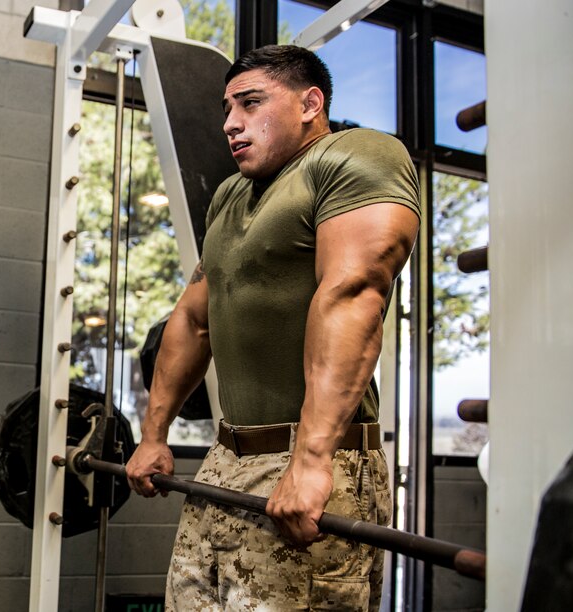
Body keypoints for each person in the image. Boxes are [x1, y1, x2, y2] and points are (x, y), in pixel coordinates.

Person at [125, 45, 421, 610]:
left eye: (250, 103)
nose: (230, 123)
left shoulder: (354, 156)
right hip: (226, 458)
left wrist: (311, 462)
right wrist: (154, 435)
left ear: (311, 103)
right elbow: (192, 319)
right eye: (226, 108)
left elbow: (352, 294)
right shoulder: (230, 196)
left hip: (318, 456)